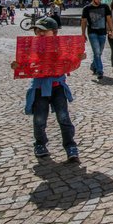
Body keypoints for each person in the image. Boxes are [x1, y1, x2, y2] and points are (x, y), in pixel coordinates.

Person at [10, 17, 84, 162]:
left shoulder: (61, 46)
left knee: (64, 117)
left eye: (44, 31)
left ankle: (70, 145)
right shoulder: (32, 46)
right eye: (38, 31)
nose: (41, 34)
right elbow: (26, 64)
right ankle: (40, 143)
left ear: (55, 32)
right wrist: (17, 66)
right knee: (39, 119)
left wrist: (79, 57)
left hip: (57, 87)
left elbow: (71, 63)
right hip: (39, 88)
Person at [80, 0, 112, 81]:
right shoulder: (86, 8)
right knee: (97, 52)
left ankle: (93, 66)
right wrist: (83, 33)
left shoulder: (105, 6)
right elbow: (83, 21)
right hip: (92, 32)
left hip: (102, 32)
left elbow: (109, 19)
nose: (98, 1)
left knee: (99, 52)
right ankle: (100, 71)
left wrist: (111, 30)